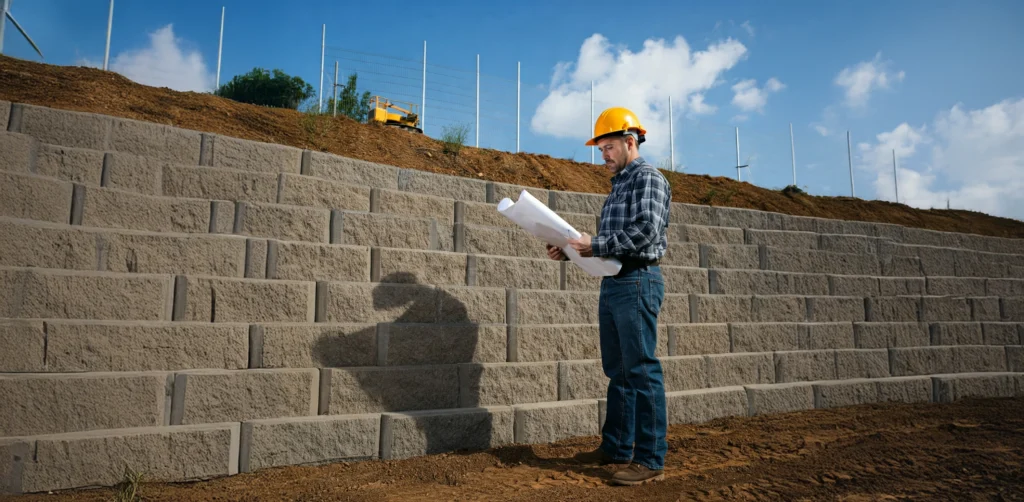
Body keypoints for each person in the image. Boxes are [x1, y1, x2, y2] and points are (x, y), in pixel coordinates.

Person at [546, 107, 670, 486]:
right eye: (601, 149)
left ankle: (649, 458)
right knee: (618, 371)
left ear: (630, 142)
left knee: (641, 371)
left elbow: (646, 231)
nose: (604, 155)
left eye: (608, 147)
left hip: (636, 281)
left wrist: (594, 243)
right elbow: (611, 244)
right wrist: (570, 249)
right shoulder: (620, 184)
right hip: (615, 282)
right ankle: (617, 447)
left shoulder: (648, 178)